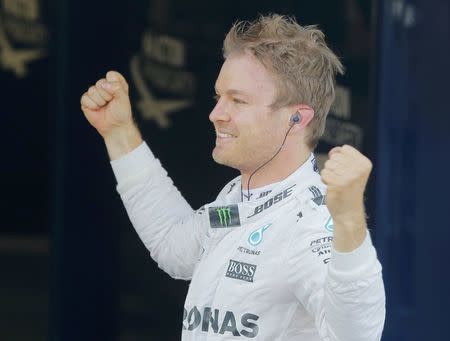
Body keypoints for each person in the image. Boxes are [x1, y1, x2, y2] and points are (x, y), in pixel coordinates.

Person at [80, 14, 385, 341]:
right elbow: (173, 243)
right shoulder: (238, 198)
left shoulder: (311, 223)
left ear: (296, 118)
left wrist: (350, 219)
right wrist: (119, 133)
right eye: (218, 97)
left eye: (237, 101)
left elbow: (355, 335)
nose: (216, 114)